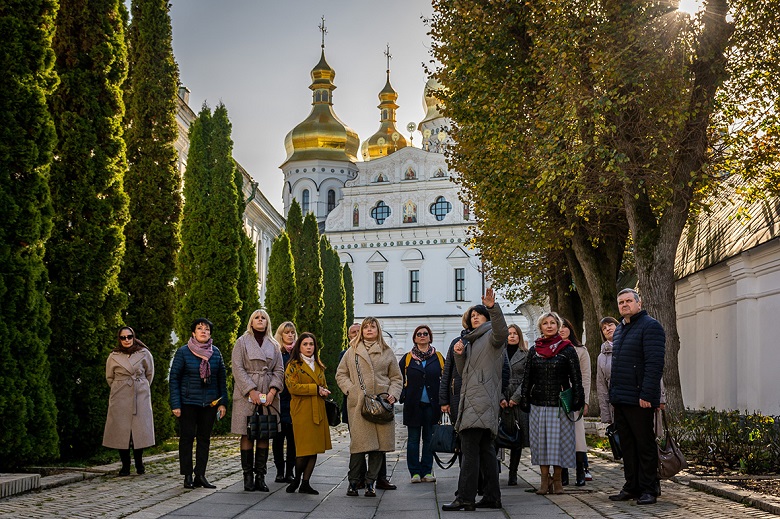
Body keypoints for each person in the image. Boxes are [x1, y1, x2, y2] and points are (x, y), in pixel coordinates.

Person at [442, 288, 508, 512]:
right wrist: (459, 355)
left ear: (487, 318)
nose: (475, 317)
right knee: (486, 451)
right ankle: (492, 496)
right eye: (472, 315)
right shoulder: (471, 341)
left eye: (479, 314)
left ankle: (465, 498)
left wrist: (493, 307)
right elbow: (463, 373)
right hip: (474, 399)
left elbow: (502, 331)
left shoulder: (491, 336)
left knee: (469, 450)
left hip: (480, 401)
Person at [608, 289, 665, 506]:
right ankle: (631, 486)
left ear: (639, 303)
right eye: (621, 302)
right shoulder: (620, 330)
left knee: (644, 445)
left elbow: (654, 364)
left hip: (640, 398)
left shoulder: (651, 326)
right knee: (628, 446)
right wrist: (613, 395)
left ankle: (649, 489)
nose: (624, 305)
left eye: (629, 301)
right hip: (621, 397)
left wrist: (648, 394)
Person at [518, 311, 584, 496]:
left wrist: (578, 398)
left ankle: (558, 481)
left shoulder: (567, 349)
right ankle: (544, 481)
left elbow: (576, 376)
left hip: (560, 404)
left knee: (560, 444)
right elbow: (527, 377)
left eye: (552, 323)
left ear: (558, 326)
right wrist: (524, 397)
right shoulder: (534, 350)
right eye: (545, 323)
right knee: (541, 444)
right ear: (540, 327)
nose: (549, 326)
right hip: (538, 404)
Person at [336, 317, 403, 497]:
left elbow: (396, 378)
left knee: (378, 447)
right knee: (358, 446)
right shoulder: (352, 351)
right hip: (359, 405)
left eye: (373, 327)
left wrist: (393, 394)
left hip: (382, 405)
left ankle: (370, 483)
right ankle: (353, 482)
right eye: (366, 327)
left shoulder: (387, 352)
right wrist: (351, 390)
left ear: (378, 330)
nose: (369, 329)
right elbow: (341, 374)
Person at [170, 318, 228, 489]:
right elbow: (174, 378)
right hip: (188, 402)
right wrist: (176, 404)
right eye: (200, 328)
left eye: (207, 329)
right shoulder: (183, 352)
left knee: (204, 439)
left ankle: (200, 475)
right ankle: (187, 475)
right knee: (187, 438)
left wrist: (222, 403)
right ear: (193, 333)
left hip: (209, 404)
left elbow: (221, 379)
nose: (204, 331)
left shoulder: (215, 353)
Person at [231, 309, 284, 492]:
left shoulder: (274, 344)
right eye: (256, 317)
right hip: (246, 393)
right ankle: (247, 476)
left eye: (263, 318)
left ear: (267, 322)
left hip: (268, 393)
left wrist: (272, 391)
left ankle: (260, 476)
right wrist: (251, 390)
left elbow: (279, 370)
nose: (260, 320)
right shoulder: (242, 342)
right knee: (247, 433)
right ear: (251, 322)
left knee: (264, 432)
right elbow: (237, 368)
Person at [284, 332, 333, 494]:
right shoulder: (293, 365)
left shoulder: (318, 364)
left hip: (318, 409)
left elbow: (323, 384)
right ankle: (296, 479)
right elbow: (292, 387)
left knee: (314, 448)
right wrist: (315, 389)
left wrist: (324, 390)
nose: (308, 347)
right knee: (303, 449)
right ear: (299, 346)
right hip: (301, 410)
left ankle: (306, 482)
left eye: (311, 344)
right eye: (305, 344)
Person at [102, 327, 155, 476]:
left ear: (134, 337)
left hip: (140, 393)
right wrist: (119, 387)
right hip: (120, 394)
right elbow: (109, 377)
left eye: (129, 337)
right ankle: (125, 465)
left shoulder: (144, 353)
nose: (126, 340)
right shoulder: (113, 356)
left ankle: (139, 463)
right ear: (119, 339)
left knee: (139, 430)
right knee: (121, 430)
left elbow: (150, 374)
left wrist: (141, 386)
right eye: (123, 337)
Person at [399, 324, 444, 484]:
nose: (422, 336)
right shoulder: (407, 358)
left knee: (429, 439)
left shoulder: (438, 357)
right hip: (413, 405)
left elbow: (445, 379)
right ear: (414, 338)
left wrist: (444, 401)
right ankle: (415, 472)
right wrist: (402, 395)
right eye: (419, 334)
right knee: (413, 439)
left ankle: (427, 471)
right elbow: (398, 378)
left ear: (430, 337)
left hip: (432, 405)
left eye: (425, 333)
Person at [559, 317, 591, 487]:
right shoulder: (552, 349)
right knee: (560, 436)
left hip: (575, 395)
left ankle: (581, 470)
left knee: (578, 435)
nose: (562, 329)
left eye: (565, 326)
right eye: (559, 326)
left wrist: (585, 400)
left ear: (570, 329)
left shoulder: (580, 350)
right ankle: (562, 472)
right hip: (557, 397)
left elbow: (586, 376)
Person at [501, 324, 530, 486]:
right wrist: (501, 397)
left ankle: (513, 472)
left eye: (514, 333)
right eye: (509, 333)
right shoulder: (498, 353)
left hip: (519, 399)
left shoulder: (525, 354)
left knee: (517, 437)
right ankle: (493, 470)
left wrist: (516, 397)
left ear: (519, 336)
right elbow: (494, 377)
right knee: (498, 435)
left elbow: (528, 378)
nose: (511, 336)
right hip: (501, 397)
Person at [273, 321, 298, 484]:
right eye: (286, 332)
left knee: (293, 439)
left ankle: (290, 471)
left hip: (295, 400)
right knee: (278, 438)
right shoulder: (276, 352)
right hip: (279, 399)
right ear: (281, 335)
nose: (290, 335)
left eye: (292, 332)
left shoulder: (298, 353)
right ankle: (279, 471)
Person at [596, 317, 620, 426]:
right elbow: (602, 387)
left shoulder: (632, 345)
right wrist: (606, 415)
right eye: (604, 328)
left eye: (610, 325)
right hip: (616, 405)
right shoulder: (601, 357)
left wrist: (659, 398)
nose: (608, 329)